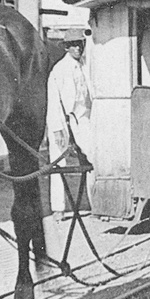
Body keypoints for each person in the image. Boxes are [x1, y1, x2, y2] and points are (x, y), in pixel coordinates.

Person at [46, 28, 94, 220]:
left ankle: (95, 203)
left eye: (80, 44)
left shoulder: (85, 66)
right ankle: (58, 208)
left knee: (92, 158)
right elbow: (53, 101)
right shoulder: (59, 70)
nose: (77, 48)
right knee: (58, 162)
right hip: (62, 119)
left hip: (83, 117)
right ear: (66, 47)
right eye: (73, 45)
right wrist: (57, 129)